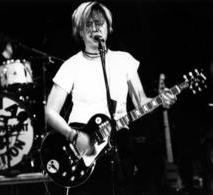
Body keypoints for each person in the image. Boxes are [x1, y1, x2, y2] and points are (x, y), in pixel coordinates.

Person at [45, 2, 176, 195]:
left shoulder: (124, 60)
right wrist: (73, 135)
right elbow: (50, 112)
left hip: (119, 144)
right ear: (79, 31)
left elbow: (141, 101)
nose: (95, 28)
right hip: (82, 147)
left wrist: (160, 100)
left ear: (109, 27)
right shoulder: (71, 65)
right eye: (88, 24)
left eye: (99, 23)